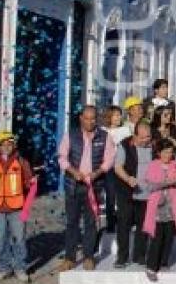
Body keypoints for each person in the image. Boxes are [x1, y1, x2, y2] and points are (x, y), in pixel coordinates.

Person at [58, 106, 116, 272]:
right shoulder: (70, 135)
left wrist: (97, 172)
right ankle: (69, 258)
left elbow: (109, 159)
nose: (90, 122)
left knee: (91, 222)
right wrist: (74, 172)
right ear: (80, 118)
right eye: (87, 118)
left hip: (94, 186)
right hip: (74, 185)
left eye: (93, 119)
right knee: (72, 223)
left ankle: (89, 256)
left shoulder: (105, 136)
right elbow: (62, 157)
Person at [0, 132, 34, 283]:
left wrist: (32, 183)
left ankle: (20, 268)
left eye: (9, 144)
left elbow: (29, 183)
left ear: (14, 146)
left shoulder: (22, 162)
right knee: (1, 239)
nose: (6, 147)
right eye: (3, 145)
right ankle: (4, 267)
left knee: (19, 239)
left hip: (18, 208)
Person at [143, 138, 176, 282]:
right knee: (156, 239)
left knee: (169, 237)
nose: (168, 155)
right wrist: (166, 182)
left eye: (170, 152)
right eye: (165, 152)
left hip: (172, 208)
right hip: (157, 210)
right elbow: (150, 186)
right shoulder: (153, 165)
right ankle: (151, 267)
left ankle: (163, 262)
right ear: (158, 152)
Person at [113, 120, 155, 269]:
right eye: (143, 137)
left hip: (147, 193)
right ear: (135, 136)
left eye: (148, 137)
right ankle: (122, 257)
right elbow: (117, 167)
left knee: (143, 226)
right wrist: (128, 178)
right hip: (127, 192)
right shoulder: (124, 145)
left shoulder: (154, 145)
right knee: (124, 225)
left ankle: (140, 255)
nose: (146, 140)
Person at [101, 105, 126, 233]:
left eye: (119, 115)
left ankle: (123, 224)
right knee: (110, 196)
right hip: (109, 168)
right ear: (109, 116)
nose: (118, 117)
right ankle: (110, 224)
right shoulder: (102, 131)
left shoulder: (125, 130)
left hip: (122, 166)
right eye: (116, 115)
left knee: (123, 196)